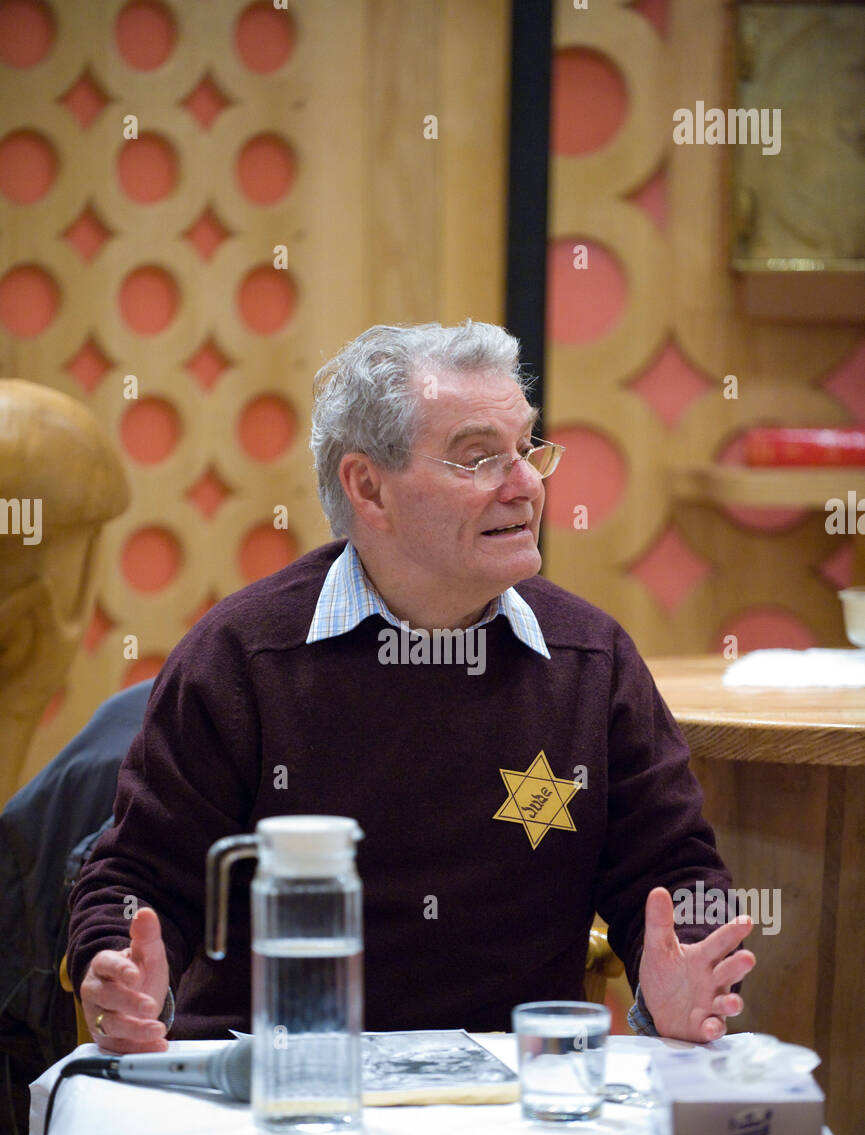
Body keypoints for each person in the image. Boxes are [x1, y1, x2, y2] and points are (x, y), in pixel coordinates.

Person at [67, 321, 755, 1054]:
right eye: (478, 457)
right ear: (369, 487)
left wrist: (682, 961)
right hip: (277, 1084)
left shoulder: (589, 658)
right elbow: (137, 873)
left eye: (525, 449)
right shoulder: (244, 657)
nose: (525, 484)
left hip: (510, 1088)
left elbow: (673, 866)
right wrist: (118, 967)